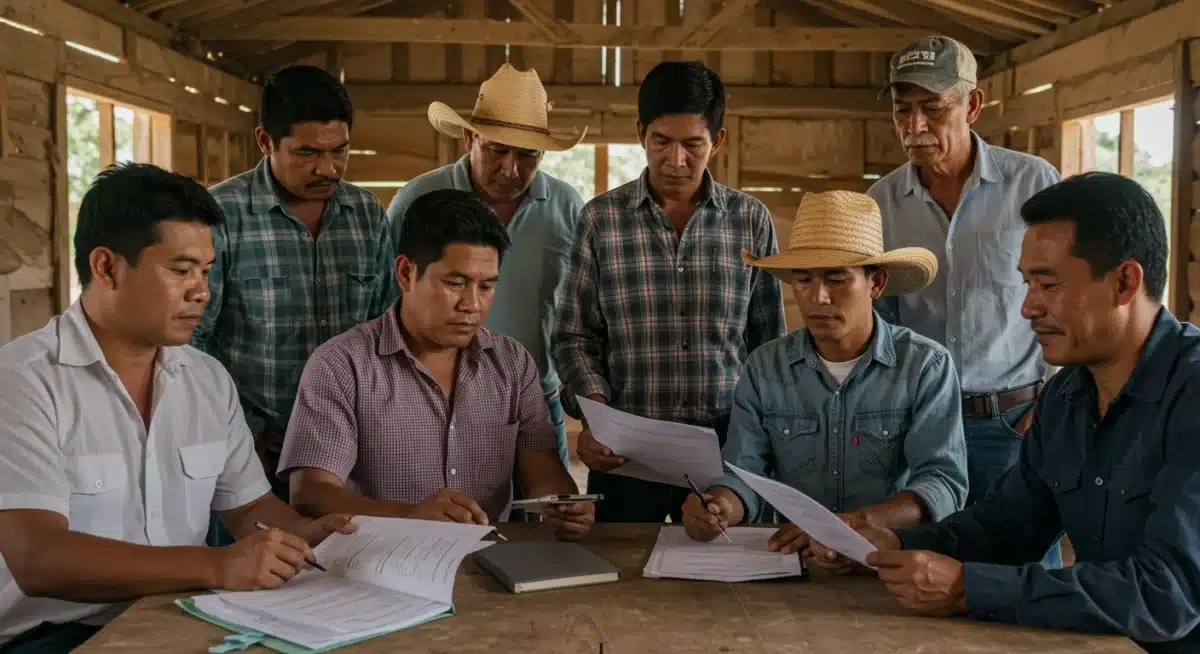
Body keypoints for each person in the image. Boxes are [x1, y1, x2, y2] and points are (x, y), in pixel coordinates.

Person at [839, 173, 1200, 653]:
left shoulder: (1192, 393)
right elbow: (1008, 528)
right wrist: (894, 544)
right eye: (1027, 284)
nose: (1028, 308)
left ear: (1124, 282)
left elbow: (1166, 594)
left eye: (1047, 284)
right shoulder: (1066, 394)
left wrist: (969, 587)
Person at [0, 164, 354, 653]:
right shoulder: (23, 380)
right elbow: (37, 558)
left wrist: (305, 534)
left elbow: (249, 507)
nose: (202, 291)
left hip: (181, 618)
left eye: (206, 271)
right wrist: (217, 565)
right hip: (57, 635)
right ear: (106, 268)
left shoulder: (206, 379)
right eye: (181, 270)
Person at [279, 189, 594, 540]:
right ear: (405, 273)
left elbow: (543, 470)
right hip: (378, 562)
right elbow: (311, 492)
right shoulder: (342, 364)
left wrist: (564, 507)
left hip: (488, 559)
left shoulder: (512, 363)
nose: (472, 305)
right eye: (454, 283)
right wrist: (409, 516)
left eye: (487, 286)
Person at [552, 60, 787, 523]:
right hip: (625, 456)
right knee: (623, 581)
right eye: (661, 142)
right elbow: (574, 335)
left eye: (692, 145)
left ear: (716, 141)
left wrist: (765, 442)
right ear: (641, 132)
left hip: (727, 459)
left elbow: (768, 346)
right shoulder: (601, 220)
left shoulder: (751, 220)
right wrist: (595, 416)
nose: (675, 161)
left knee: (722, 585)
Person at [681, 190, 968, 565]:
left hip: (890, 562)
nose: (818, 297)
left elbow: (943, 483)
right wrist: (720, 506)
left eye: (837, 279)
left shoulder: (925, 366)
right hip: (790, 562)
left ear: (876, 283)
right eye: (803, 281)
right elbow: (743, 471)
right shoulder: (764, 368)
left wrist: (857, 523)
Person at [867, 35, 1063, 567]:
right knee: (929, 579)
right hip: (920, 431)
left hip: (1014, 423)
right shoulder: (879, 204)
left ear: (972, 106)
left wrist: (1056, 392)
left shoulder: (1033, 185)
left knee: (1026, 582)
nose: (915, 126)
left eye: (933, 108)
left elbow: (1067, 292)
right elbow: (879, 323)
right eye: (902, 110)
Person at [191, 64, 397, 505]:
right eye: (307, 154)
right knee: (252, 569)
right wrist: (246, 432)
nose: (328, 168)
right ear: (265, 141)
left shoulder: (367, 215)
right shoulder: (220, 214)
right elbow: (192, 344)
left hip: (349, 456)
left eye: (339, 151)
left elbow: (387, 328)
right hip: (248, 458)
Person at [387, 63, 587, 472]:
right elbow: (382, 299)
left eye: (528, 155)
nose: (511, 170)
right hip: (430, 401)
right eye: (497, 150)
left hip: (535, 402)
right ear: (468, 138)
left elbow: (581, 310)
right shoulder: (418, 199)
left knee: (547, 516)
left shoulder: (569, 207)